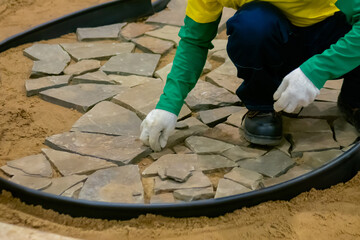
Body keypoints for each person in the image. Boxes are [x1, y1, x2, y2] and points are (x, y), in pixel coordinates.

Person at [140, 0, 360, 152]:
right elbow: (194, 40)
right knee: (252, 26)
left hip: (332, 32)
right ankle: (262, 107)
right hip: (277, 41)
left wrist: (316, 70)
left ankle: (354, 99)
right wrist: (168, 105)